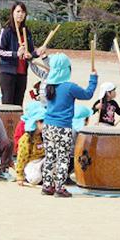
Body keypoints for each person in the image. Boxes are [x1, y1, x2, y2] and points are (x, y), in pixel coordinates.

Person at [42, 54, 98, 198]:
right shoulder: (69, 87)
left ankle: (47, 186)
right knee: (63, 158)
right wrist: (93, 79)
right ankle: (60, 187)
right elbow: (87, 94)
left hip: (48, 126)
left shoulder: (48, 86)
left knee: (50, 156)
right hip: (63, 127)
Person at [0, 2, 47, 106]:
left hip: (22, 73)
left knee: (19, 105)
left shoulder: (26, 32)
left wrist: (37, 52)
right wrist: (16, 54)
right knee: (8, 105)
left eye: (23, 12)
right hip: (8, 73)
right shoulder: (6, 31)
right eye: (18, 11)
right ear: (13, 13)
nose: (20, 14)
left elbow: (30, 52)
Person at [15, 105, 46, 186]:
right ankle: (28, 175)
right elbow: (21, 158)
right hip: (31, 162)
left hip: (43, 160)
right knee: (34, 179)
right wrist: (19, 175)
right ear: (35, 122)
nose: (46, 124)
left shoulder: (45, 135)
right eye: (42, 121)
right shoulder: (26, 139)